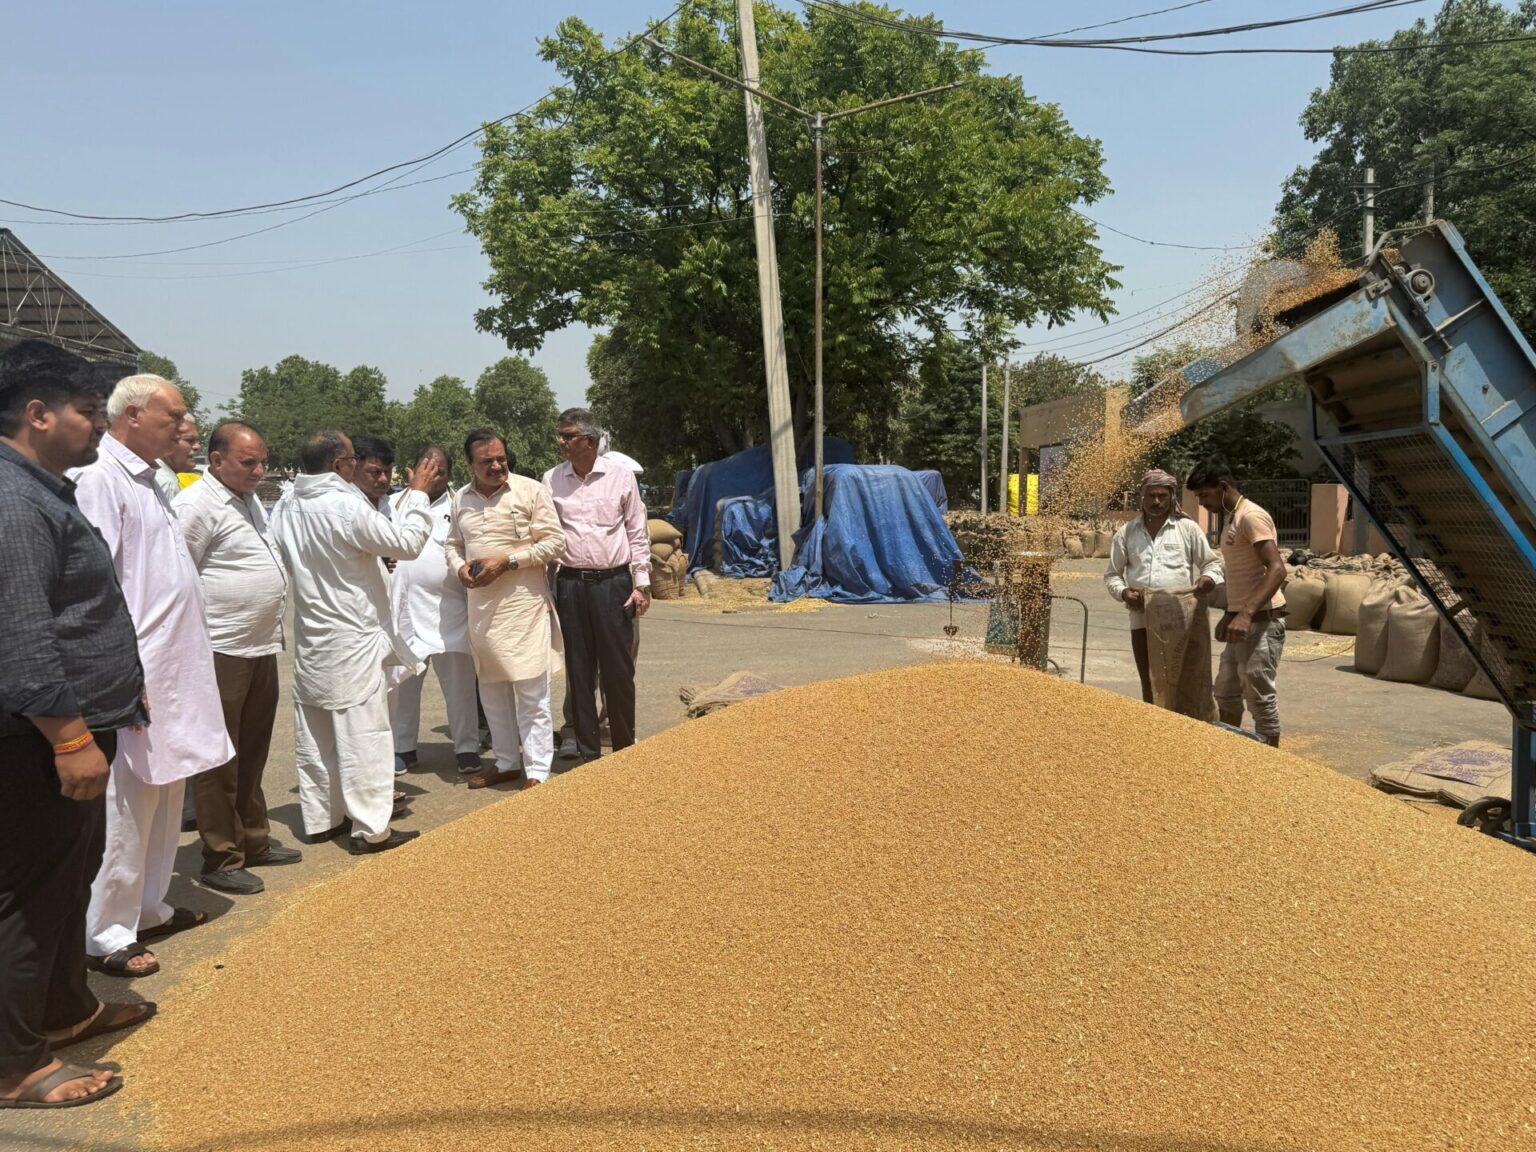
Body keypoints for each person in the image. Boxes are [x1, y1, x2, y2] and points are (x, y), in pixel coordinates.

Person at [0, 341, 156, 1110]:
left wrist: (121, 691)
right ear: (37, 414)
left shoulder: (43, 489)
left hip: (79, 725)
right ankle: (14, 1066)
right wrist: (67, 736)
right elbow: (23, 632)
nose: (96, 428)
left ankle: (65, 1012)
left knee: (66, 885)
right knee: (27, 898)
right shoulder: (13, 501)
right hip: (34, 742)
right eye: (88, 414)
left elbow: (78, 612)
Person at [72, 374, 234, 977]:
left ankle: (148, 907)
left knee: (167, 788)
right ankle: (106, 930)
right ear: (133, 415)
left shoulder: (153, 479)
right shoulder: (100, 479)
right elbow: (99, 585)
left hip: (174, 666)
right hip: (135, 671)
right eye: (174, 414)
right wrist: (118, 666)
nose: (183, 424)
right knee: (128, 799)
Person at [267, 431, 444, 853]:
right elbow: (407, 544)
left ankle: (322, 818)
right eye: (353, 460)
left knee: (317, 733)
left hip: (312, 635)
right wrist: (417, 495)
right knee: (364, 734)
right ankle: (370, 828)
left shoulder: (288, 504)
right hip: (352, 637)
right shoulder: (344, 503)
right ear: (340, 465)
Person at [174, 422, 300, 895]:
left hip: (260, 644)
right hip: (219, 649)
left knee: (252, 751)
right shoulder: (196, 506)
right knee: (218, 758)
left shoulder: (248, 503)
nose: (260, 470)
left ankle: (254, 839)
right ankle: (221, 856)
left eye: (262, 461)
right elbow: (176, 577)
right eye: (249, 462)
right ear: (216, 459)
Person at [447, 429, 565, 788]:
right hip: (482, 611)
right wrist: (459, 567)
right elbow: (452, 543)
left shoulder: (530, 490)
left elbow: (556, 543)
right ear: (470, 464)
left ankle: (538, 770)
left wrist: (509, 561)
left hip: (524, 609)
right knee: (493, 692)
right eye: (487, 462)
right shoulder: (460, 500)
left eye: (501, 458)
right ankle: (506, 761)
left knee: (531, 693)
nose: (498, 466)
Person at [545, 408, 649, 763]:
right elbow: (547, 536)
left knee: (618, 671)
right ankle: (590, 756)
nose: (561, 442)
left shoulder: (620, 477)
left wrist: (642, 584)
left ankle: (624, 751)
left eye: (567, 436)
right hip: (571, 586)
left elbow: (637, 531)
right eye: (560, 435)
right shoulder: (551, 480)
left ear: (589, 441)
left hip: (614, 584)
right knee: (579, 671)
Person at [389, 446, 483, 775]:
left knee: (459, 686)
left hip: (450, 611)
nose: (432, 475)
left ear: (449, 475)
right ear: (412, 471)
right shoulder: (392, 504)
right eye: (425, 467)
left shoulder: (461, 506)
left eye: (440, 470)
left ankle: (467, 748)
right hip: (406, 612)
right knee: (403, 684)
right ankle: (403, 747)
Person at [1104, 469, 1223, 716]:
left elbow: (1211, 563)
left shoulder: (1187, 529)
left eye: (1162, 496)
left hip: (1181, 620)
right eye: (1151, 496)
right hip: (1142, 619)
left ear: (1172, 497)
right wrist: (1124, 593)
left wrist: (1208, 579)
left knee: (1187, 679)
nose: (1157, 502)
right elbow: (1112, 575)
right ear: (1142, 497)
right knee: (1152, 682)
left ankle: (1185, 733)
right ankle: (1155, 734)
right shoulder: (1127, 533)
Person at [1187, 458, 1288, 747]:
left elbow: (1277, 569)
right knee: (1226, 691)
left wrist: (1244, 614)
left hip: (1262, 624)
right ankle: (1232, 754)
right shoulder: (1231, 518)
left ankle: (1271, 761)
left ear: (1223, 487)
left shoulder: (1251, 516)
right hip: (1242, 624)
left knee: (1259, 696)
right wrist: (1230, 615)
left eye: (1205, 495)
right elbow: (1243, 575)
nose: (1202, 503)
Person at [155, 414, 200, 502]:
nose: (197, 446)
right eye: (189, 440)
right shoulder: (166, 483)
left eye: (198, 441)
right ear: (167, 442)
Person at [351, 434, 395, 516]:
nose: (384, 479)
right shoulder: (346, 507)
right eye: (376, 472)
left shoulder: (390, 505)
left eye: (387, 472)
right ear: (354, 468)